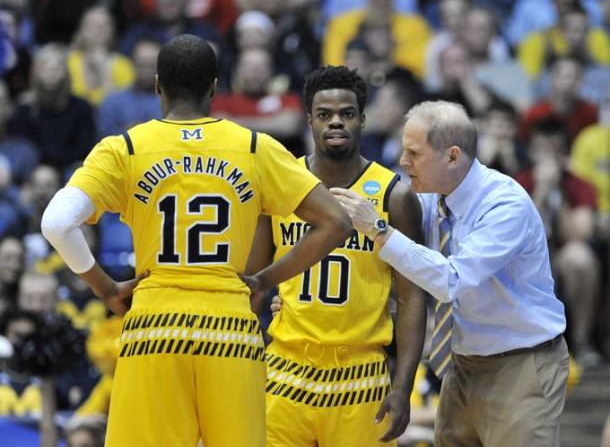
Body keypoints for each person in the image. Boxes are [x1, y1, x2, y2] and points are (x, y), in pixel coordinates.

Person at [40, 35, 352, 447]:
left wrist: (106, 288)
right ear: (215, 88)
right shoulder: (255, 147)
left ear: (156, 85)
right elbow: (336, 222)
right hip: (230, 330)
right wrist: (262, 279)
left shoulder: (125, 148)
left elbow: (58, 224)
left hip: (154, 328)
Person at [331, 100, 568, 447]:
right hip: (461, 364)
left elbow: (450, 280)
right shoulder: (428, 198)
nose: (402, 162)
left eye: (413, 152)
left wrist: (380, 230)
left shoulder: (505, 204)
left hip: (522, 364)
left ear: (452, 157)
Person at [246, 65, 426, 446]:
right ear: (309, 120)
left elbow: (412, 297)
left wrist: (404, 384)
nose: (336, 123)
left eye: (346, 114)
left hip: (360, 374)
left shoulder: (394, 195)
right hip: (286, 370)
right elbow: (251, 285)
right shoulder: (278, 186)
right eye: (324, 115)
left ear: (362, 119)